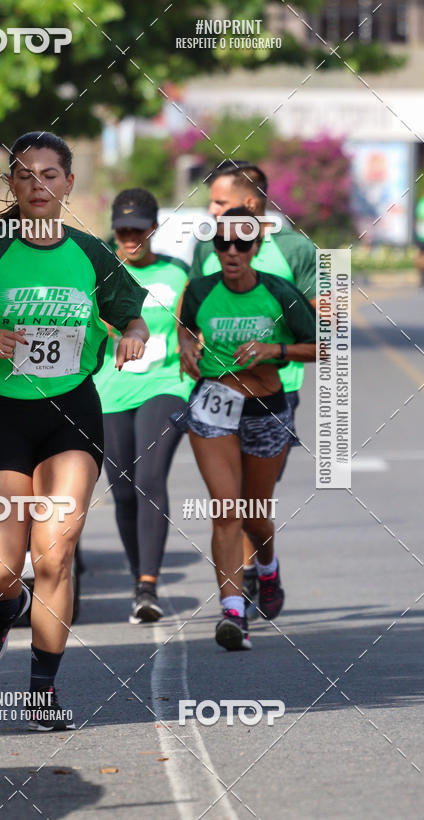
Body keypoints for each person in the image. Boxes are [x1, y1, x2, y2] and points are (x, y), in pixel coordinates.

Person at [0, 131, 149, 729]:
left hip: (72, 414)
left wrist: (132, 335)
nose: (38, 185)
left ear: (68, 184)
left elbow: (132, 314)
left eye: (50, 175)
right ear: (12, 184)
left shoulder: (90, 253)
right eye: (25, 175)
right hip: (5, 414)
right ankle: (6, 608)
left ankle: (41, 692)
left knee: (55, 554)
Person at [176, 216, 316, 650]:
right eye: (223, 244)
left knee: (254, 515)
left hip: (266, 410)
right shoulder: (200, 290)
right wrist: (186, 346)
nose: (232, 251)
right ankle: (233, 612)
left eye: (242, 244)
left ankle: (268, 568)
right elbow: (186, 325)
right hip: (214, 405)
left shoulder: (279, 292)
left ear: (256, 248)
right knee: (226, 509)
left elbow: (324, 345)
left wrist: (275, 349)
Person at [95, 188, 193, 622]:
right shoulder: (99, 272)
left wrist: (193, 348)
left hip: (166, 385)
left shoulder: (177, 274)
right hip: (109, 390)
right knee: (122, 490)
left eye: (138, 230)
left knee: (150, 478)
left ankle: (149, 585)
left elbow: (191, 327)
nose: (130, 238)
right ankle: (140, 582)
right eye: (123, 231)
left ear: (153, 228)